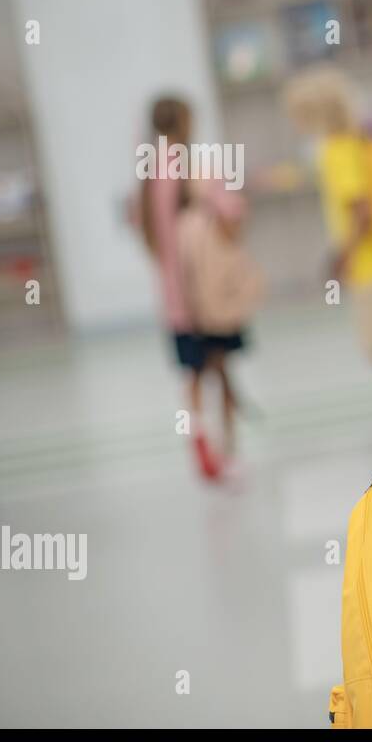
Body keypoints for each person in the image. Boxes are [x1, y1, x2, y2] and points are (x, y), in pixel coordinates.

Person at [283, 68, 372, 422]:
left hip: (369, 261)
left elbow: (361, 211)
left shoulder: (335, 151)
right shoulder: (354, 140)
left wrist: (342, 256)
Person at [137, 96, 251, 481]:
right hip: (210, 294)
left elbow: (150, 237)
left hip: (177, 299)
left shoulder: (149, 175)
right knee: (222, 369)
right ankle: (230, 451)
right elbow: (233, 212)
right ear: (185, 121)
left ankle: (200, 448)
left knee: (193, 377)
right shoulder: (196, 168)